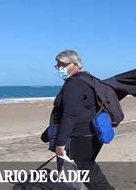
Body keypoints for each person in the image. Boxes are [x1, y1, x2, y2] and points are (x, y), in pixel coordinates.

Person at [41, 49, 114, 190]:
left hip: (78, 137)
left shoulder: (73, 84)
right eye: (58, 65)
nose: (60, 69)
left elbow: (70, 115)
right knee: (87, 170)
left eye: (63, 65)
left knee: (84, 172)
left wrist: (60, 143)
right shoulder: (88, 79)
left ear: (75, 64)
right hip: (91, 134)